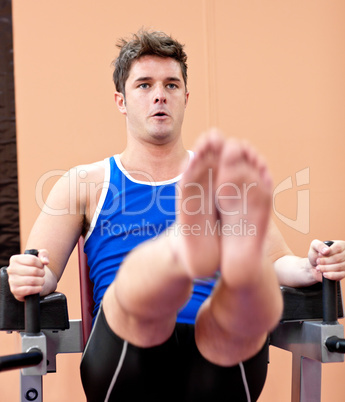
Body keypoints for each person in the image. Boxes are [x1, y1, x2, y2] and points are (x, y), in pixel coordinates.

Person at [7, 30, 345, 401]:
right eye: (144, 85)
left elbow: (276, 261)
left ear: (185, 97)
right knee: (137, 298)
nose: (159, 95)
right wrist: (30, 275)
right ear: (121, 100)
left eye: (171, 84)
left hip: (214, 355)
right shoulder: (83, 183)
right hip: (126, 359)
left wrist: (311, 269)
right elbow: (41, 269)